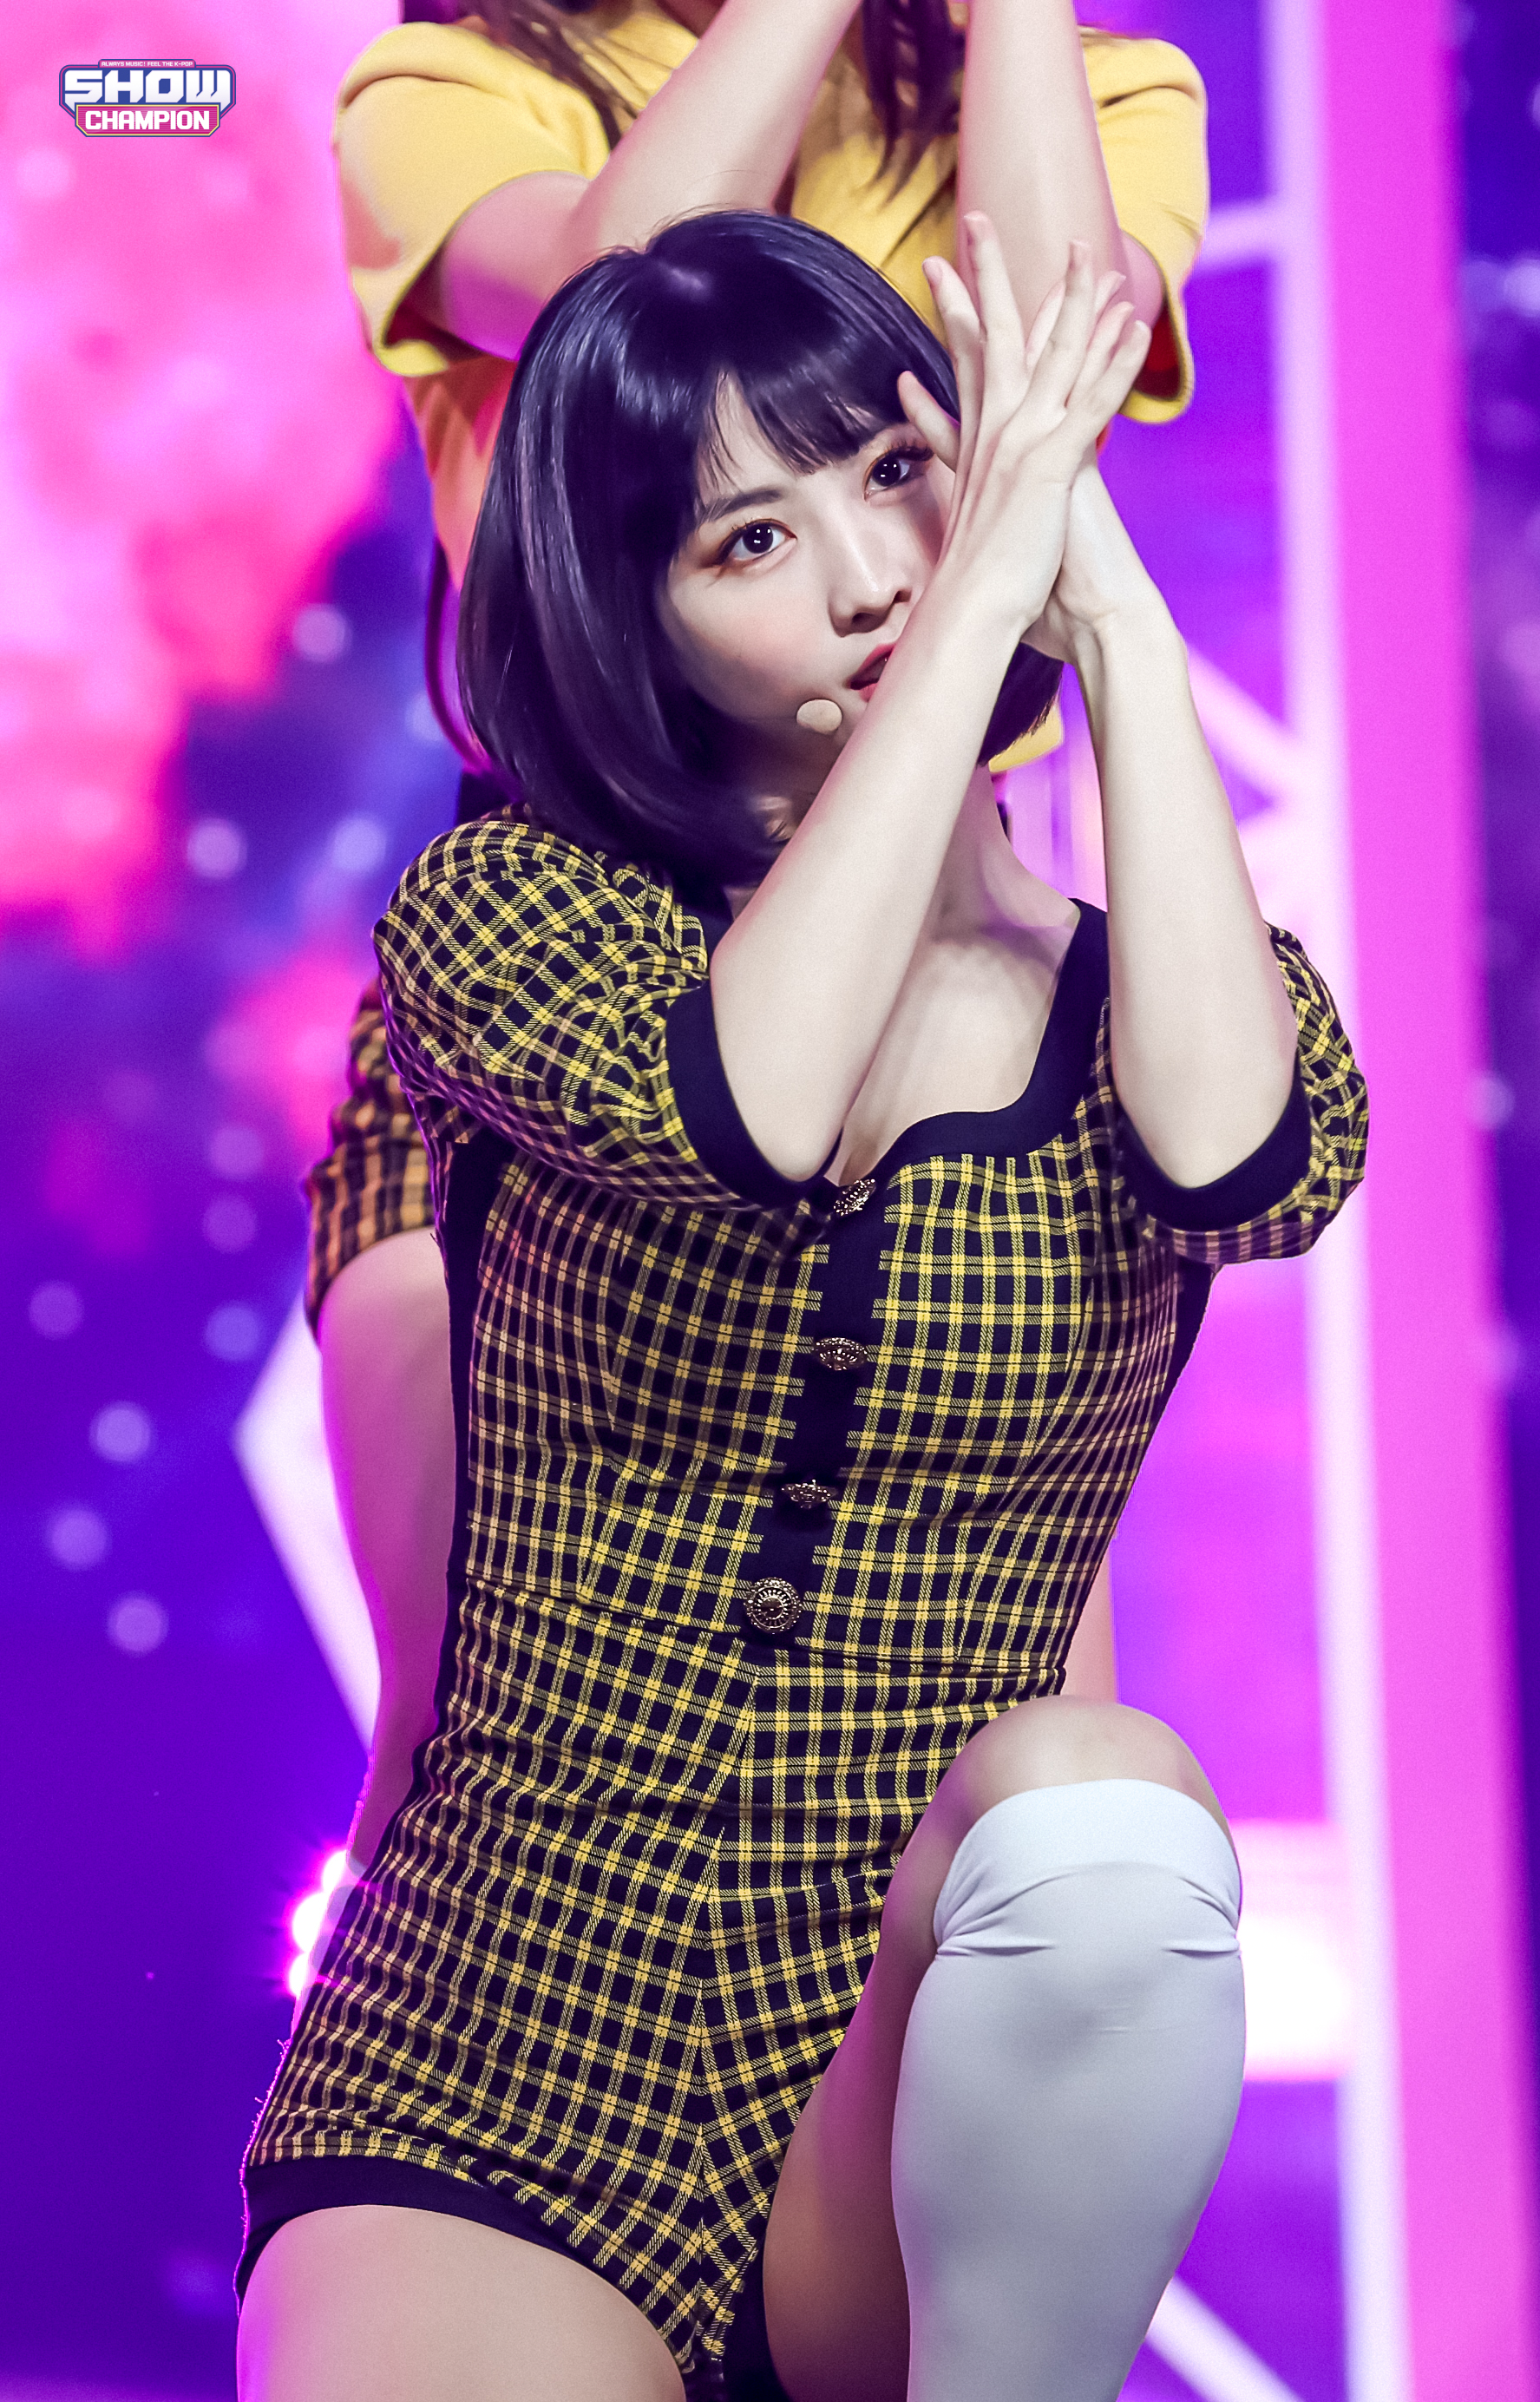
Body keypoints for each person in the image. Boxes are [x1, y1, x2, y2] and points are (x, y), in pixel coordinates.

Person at [239, 212, 1367, 2402]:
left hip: (902, 2047)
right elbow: (736, 1108)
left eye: (899, 473)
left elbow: (1252, 1170)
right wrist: (967, 623)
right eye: (748, 538)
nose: (868, 572)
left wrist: (1111, 620)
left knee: (1107, 1807)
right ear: (637, 620)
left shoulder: (1169, 1002)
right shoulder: (507, 920)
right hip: (500, 2041)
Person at [313, 0, 1211, 1875]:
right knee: (467, 1732)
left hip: (964, 960)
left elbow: (1053, 376)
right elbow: (613, 315)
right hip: (566, 976)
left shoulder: (1095, 86)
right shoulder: (458, 91)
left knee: (1017, 1769)